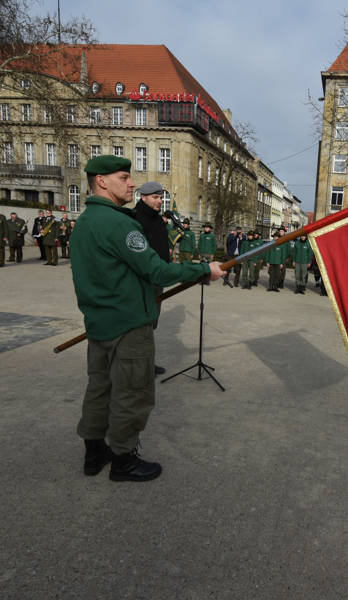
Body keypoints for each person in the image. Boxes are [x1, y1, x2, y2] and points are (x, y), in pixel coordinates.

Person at [70, 155, 225, 482]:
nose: (131, 183)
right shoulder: (120, 223)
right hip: (128, 325)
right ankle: (124, 459)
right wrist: (203, 269)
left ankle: (94, 453)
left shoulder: (86, 220)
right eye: (125, 177)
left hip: (98, 323)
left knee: (100, 388)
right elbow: (158, 270)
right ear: (102, 181)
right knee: (132, 393)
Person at [130, 181, 173, 376]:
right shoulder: (135, 219)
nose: (160, 200)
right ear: (143, 197)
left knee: (151, 323)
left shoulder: (158, 220)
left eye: (161, 197)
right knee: (141, 325)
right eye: (156, 197)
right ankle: (139, 365)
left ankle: (146, 361)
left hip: (158, 280)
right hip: (143, 281)